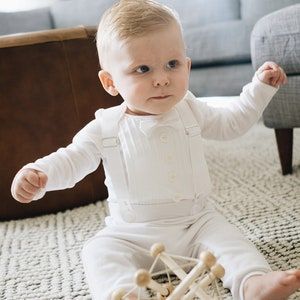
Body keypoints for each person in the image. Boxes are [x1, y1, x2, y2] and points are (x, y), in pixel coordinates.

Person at [11, 0, 300, 299]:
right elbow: (72, 160)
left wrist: (259, 89)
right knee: (98, 251)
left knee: (230, 240)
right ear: (110, 82)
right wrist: (41, 173)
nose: (161, 78)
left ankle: (253, 282)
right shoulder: (106, 126)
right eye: (143, 69)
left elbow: (232, 123)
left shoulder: (190, 109)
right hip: (131, 234)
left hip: (196, 223)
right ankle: (122, 292)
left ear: (187, 66)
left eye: (172, 65)